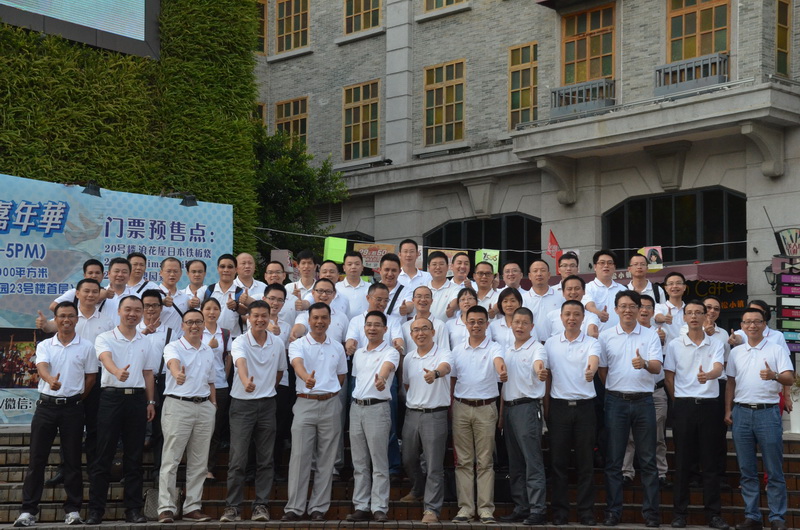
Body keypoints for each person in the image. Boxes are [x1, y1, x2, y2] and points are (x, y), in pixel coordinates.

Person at [14, 302, 97, 528]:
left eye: (71, 316)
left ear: (76, 320)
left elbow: (91, 377)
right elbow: (41, 366)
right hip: (46, 407)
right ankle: (28, 511)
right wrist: (50, 380)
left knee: (72, 460)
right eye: (62, 316)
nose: (66, 320)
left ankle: (73, 510)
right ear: (56, 319)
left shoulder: (87, 346)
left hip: (73, 409)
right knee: (36, 460)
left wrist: (77, 397)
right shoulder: (45, 344)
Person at [87, 295, 157, 525]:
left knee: (134, 457)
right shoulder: (105, 337)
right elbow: (105, 358)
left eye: (137, 310)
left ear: (142, 313)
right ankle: (96, 511)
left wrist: (150, 402)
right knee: (103, 455)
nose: (132, 314)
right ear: (119, 311)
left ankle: (133, 510)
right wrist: (117, 371)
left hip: (136, 400)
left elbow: (148, 374)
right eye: (128, 309)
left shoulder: (146, 341)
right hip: (111, 399)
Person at [598, 290, 662, 527]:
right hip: (616, 402)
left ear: (639, 309)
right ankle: (613, 512)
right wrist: (615, 389)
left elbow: (657, 367)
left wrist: (643, 363)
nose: (627, 310)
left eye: (632, 306)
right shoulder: (606, 336)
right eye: (623, 306)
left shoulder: (650, 334)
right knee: (614, 460)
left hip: (644, 401)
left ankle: (651, 514)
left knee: (648, 460)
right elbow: (602, 370)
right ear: (616, 309)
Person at [725, 307, 794, 530]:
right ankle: (752, 517)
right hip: (742, 412)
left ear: (764, 324)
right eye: (747, 322)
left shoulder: (776, 349)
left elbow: (790, 378)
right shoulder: (736, 352)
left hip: (768, 413)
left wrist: (774, 375)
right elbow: (731, 383)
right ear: (742, 326)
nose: (752, 325)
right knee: (747, 470)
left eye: (757, 321)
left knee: (774, 469)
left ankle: (777, 518)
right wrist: (728, 410)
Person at [663, 300, 728, 530]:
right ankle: (679, 514)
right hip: (684, 407)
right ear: (684, 317)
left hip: (710, 406)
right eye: (689, 313)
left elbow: (719, 368)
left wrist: (708, 375)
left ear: (705, 316)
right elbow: (668, 377)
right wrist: (679, 401)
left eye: (698, 313)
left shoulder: (716, 343)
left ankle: (714, 515)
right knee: (682, 462)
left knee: (710, 463)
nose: (693, 316)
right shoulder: (674, 345)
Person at [220, 301, 286, 523]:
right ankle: (232, 507)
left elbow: (279, 372)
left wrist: (266, 389)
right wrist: (245, 380)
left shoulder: (277, 342)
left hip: (268, 405)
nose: (260, 319)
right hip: (242, 405)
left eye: (264, 315)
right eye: (255, 315)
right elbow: (240, 362)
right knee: (238, 459)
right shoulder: (240, 341)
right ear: (248, 318)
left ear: (269, 317)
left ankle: (261, 505)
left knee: (265, 459)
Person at [282, 303, 348, 522]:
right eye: (316, 318)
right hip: (305, 402)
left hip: (331, 404)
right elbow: (297, 364)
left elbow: (341, 376)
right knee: (299, 457)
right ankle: (294, 507)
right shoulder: (298, 344)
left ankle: (318, 507)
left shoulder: (337, 347)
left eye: (324, 318)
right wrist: (306, 378)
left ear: (329, 320)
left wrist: (327, 391)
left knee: (326, 460)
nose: (320, 322)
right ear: (309, 320)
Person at [157, 309, 217, 523]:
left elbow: (211, 381)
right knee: (171, 459)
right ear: (182, 325)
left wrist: (213, 405)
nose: (194, 326)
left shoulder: (208, 350)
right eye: (190, 322)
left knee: (199, 462)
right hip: (178, 405)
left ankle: (192, 507)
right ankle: (166, 507)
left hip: (204, 406)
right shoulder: (173, 347)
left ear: (203, 325)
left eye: (198, 322)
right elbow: (173, 363)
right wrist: (177, 374)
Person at [545, 300, 601, 526]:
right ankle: (560, 511)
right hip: (559, 407)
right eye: (567, 314)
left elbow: (594, 361)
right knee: (558, 462)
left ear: (582, 318)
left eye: (576, 314)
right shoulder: (550, 343)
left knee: (585, 463)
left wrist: (591, 371)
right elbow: (546, 374)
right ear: (561, 317)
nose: (572, 318)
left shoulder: (591, 342)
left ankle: (586, 512)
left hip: (585, 408)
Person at [450, 305, 506, 524]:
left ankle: (485, 510)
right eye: (472, 321)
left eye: (480, 321)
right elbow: (452, 379)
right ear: (466, 324)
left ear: (487, 324)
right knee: (463, 461)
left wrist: (501, 370)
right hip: (461, 407)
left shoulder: (494, 347)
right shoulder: (457, 350)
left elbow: (498, 362)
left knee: (485, 461)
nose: (476, 325)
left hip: (486, 408)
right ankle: (465, 509)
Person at [346, 311, 399, 523]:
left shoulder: (391, 352)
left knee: (379, 461)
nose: (372, 328)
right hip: (356, 408)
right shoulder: (358, 353)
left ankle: (379, 507)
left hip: (378, 408)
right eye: (369, 325)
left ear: (385, 329)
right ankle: (361, 506)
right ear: (364, 328)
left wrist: (382, 379)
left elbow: (387, 368)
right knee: (359, 462)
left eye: (377, 325)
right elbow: (356, 380)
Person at [498, 307, 548, 526]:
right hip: (509, 409)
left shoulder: (538, 348)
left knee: (532, 461)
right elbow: (504, 386)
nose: (519, 326)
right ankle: (521, 507)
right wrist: (501, 416)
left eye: (524, 323)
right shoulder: (507, 350)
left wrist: (540, 371)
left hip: (527, 408)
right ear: (511, 324)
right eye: (516, 322)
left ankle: (538, 509)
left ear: (532, 326)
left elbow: (539, 365)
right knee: (515, 463)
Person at [401, 317, 452, 523]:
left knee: (433, 465)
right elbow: (407, 385)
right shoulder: (408, 358)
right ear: (411, 334)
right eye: (416, 330)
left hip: (435, 414)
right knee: (408, 457)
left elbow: (446, 367)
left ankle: (431, 509)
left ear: (433, 332)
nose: (420, 333)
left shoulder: (443, 353)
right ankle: (418, 489)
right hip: (412, 413)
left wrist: (435, 374)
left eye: (424, 329)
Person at [621, 295, 669, 489]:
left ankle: (661, 473)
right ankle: (626, 472)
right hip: (629, 391)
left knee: (658, 436)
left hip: (655, 392)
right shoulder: (621, 333)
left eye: (648, 307)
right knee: (628, 436)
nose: (644, 310)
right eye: (640, 306)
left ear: (653, 312)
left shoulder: (660, 334)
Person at [201, 297, 232, 480]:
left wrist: (223, 377)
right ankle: (195, 467)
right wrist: (208, 347)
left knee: (214, 429)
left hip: (220, 386)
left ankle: (208, 468)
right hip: (199, 386)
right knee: (199, 428)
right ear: (202, 311)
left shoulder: (225, 333)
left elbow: (228, 359)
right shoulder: (196, 331)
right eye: (208, 308)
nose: (211, 312)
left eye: (215, 309)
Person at [197, 254, 248, 337]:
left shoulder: (240, 292)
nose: (226, 270)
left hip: (233, 337)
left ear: (236, 270)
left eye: (230, 267)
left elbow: (246, 312)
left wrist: (236, 306)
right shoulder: (209, 290)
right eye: (222, 266)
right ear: (218, 269)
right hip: (209, 336)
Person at [538, 275, 600, 340]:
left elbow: (592, 331)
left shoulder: (591, 316)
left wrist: (593, 333)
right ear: (563, 292)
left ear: (584, 291)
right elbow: (545, 340)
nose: (573, 292)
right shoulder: (551, 316)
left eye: (577, 288)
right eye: (569, 289)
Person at [584, 249, 625, 333]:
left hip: (620, 336)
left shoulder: (623, 289)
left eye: (610, 263)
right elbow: (589, 305)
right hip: (596, 336)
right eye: (602, 263)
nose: (606, 266)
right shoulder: (587, 287)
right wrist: (599, 313)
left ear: (614, 267)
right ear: (595, 267)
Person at [401, 285, 450, 351]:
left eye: (427, 297)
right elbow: (403, 353)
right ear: (413, 300)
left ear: (431, 301)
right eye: (419, 296)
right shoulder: (405, 327)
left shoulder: (440, 325)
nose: (423, 299)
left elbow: (445, 352)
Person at [521, 260, 564, 327]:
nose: (539, 274)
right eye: (535, 271)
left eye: (543, 270)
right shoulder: (523, 299)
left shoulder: (561, 297)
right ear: (530, 276)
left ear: (549, 275)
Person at [157, 257, 190, 331]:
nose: (172, 274)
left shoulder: (185, 297)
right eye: (168, 271)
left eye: (175, 271)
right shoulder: (153, 295)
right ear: (161, 273)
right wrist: (160, 302)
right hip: (159, 336)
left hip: (179, 337)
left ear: (181, 273)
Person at [655, 271, 688, 344]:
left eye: (678, 283)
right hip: (667, 350)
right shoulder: (659, 307)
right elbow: (657, 317)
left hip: (687, 349)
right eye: (671, 284)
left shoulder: (690, 310)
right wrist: (664, 318)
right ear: (666, 288)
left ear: (684, 287)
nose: (675, 286)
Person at [489, 287, 525, 352]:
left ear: (519, 303)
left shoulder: (526, 325)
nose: (509, 304)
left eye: (513, 301)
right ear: (500, 304)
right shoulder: (493, 326)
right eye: (505, 301)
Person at [336, 251, 370, 319]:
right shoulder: (336, 288)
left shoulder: (370, 287)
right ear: (344, 267)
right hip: (343, 324)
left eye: (357, 264)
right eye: (349, 264)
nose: (353, 267)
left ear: (362, 267)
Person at [426, 251, 459, 322]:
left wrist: (452, 308)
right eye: (434, 264)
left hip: (446, 328)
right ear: (429, 268)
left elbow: (456, 301)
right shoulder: (424, 288)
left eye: (441, 264)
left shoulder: (456, 288)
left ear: (447, 267)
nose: (438, 267)